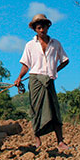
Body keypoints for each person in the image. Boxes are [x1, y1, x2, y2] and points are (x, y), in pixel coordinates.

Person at [14, 13, 70, 151]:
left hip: (49, 80)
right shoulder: (30, 45)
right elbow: (26, 64)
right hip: (35, 80)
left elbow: (65, 60)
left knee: (54, 110)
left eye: (44, 27)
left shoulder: (55, 43)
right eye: (39, 27)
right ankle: (37, 140)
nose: (42, 30)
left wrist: (54, 70)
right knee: (35, 109)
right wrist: (19, 77)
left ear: (47, 27)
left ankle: (60, 141)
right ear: (35, 29)